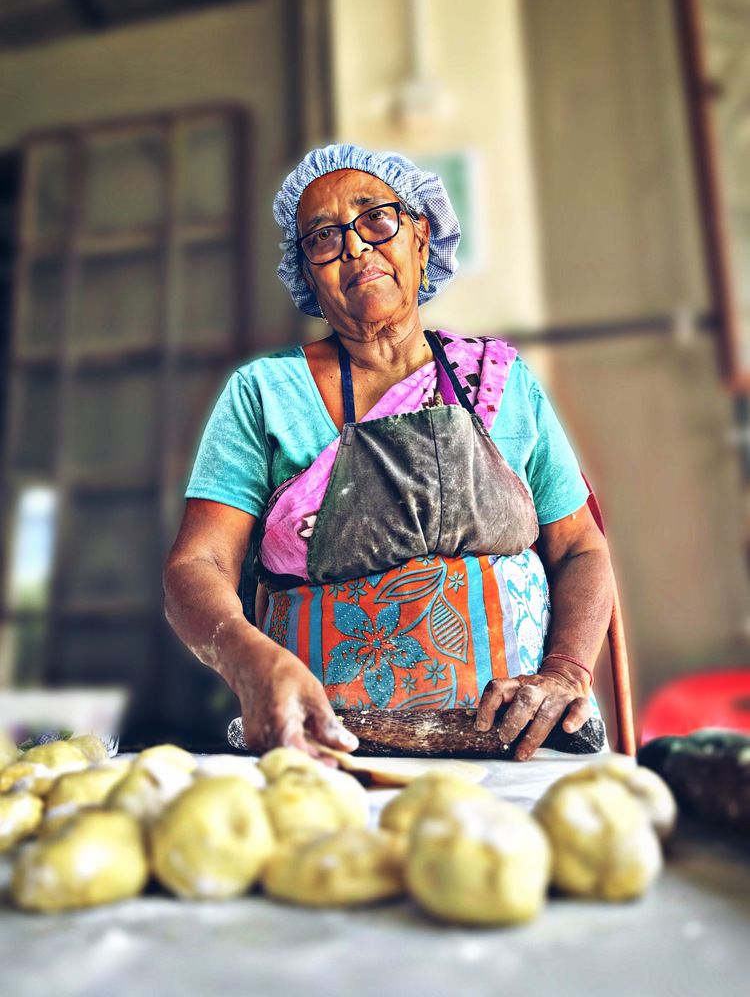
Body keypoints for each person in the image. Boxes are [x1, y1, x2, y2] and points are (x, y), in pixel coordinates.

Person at [164, 144, 613, 763]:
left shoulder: (502, 380)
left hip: (518, 742)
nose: (354, 247)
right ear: (307, 276)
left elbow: (582, 548)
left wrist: (565, 673)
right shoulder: (264, 393)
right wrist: (249, 662)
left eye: (376, 218)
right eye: (323, 237)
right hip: (327, 745)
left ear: (421, 236)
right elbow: (196, 566)